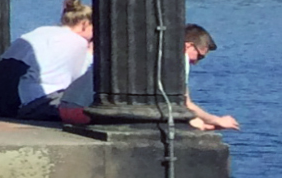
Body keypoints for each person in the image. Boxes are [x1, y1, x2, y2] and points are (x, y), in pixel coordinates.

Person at [51, 20, 236, 132]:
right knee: (183, 125)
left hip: (66, 108)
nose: (196, 62)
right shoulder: (178, 59)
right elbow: (184, 104)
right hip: (83, 112)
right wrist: (217, 120)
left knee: (185, 121)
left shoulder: (150, 51)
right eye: (200, 56)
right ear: (188, 46)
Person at [0, 0, 94, 120]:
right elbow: (79, 81)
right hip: (31, 103)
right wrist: (90, 53)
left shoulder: (41, 31)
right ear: (84, 24)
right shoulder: (78, 42)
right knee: (90, 102)